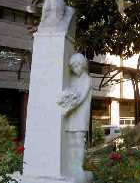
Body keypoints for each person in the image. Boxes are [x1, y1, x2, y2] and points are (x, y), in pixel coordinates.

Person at [57, 53, 92, 182]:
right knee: (70, 140)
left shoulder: (87, 79)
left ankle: (77, 166)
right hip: (70, 114)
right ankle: (71, 165)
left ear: (82, 65)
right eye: (73, 67)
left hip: (80, 114)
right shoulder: (70, 78)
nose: (75, 68)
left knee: (78, 140)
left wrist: (67, 107)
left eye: (77, 65)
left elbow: (81, 97)